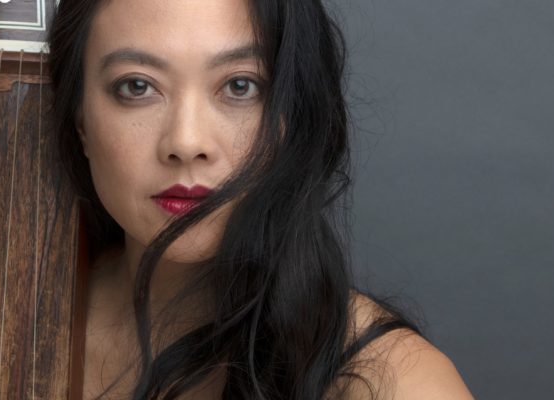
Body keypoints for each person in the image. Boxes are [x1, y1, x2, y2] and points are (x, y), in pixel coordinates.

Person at [46, 0, 474, 398]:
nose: (187, 142)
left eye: (239, 86)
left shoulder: (398, 382)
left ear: (294, 115)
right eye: (137, 86)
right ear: (81, 120)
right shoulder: (13, 305)